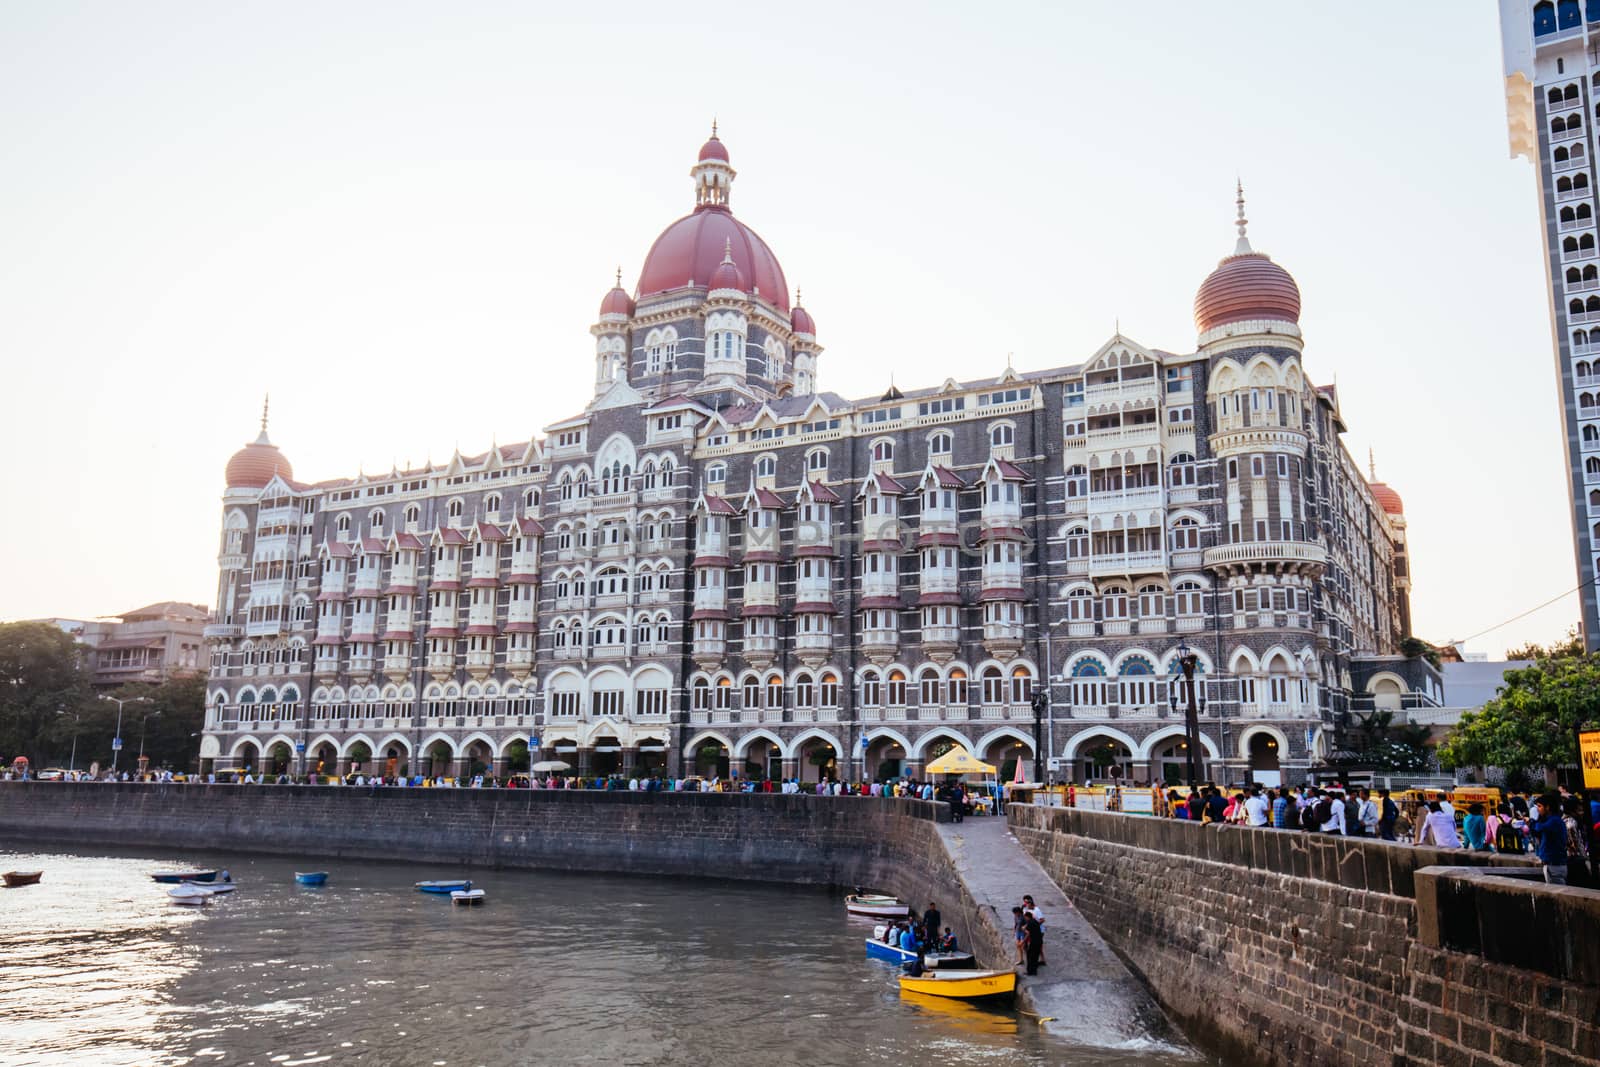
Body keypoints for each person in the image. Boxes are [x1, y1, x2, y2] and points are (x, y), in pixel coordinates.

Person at [1532, 794, 1569, 885]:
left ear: (1547, 807)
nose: (1538, 809)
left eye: (1540, 806)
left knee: (1558, 894)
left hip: (1554, 866)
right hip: (1553, 865)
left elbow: (1539, 828)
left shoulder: (1554, 821)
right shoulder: (1553, 820)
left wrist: (1531, 822)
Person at [1022, 895, 1046, 966]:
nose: (1025, 904)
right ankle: (1039, 960)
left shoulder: (1037, 910)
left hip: (1039, 931)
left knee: (1038, 946)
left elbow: (1042, 920)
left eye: (1027, 902)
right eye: (1024, 902)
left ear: (1030, 902)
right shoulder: (1026, 909)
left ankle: (1041, 960)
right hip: (1030, 931)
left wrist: (1034, 926)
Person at [1021, 909, 1044, 976]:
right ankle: (1034, 971)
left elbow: (1028, 933)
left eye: (1025, 917)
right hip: (1039, 941)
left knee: (1030, 956)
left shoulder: (1030, 923)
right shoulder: (1035, 921)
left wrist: (1022, 942)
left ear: (1027, 917)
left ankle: (1030, 971)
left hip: (1034, 942)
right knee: (1035, 956)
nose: (1025, 918)